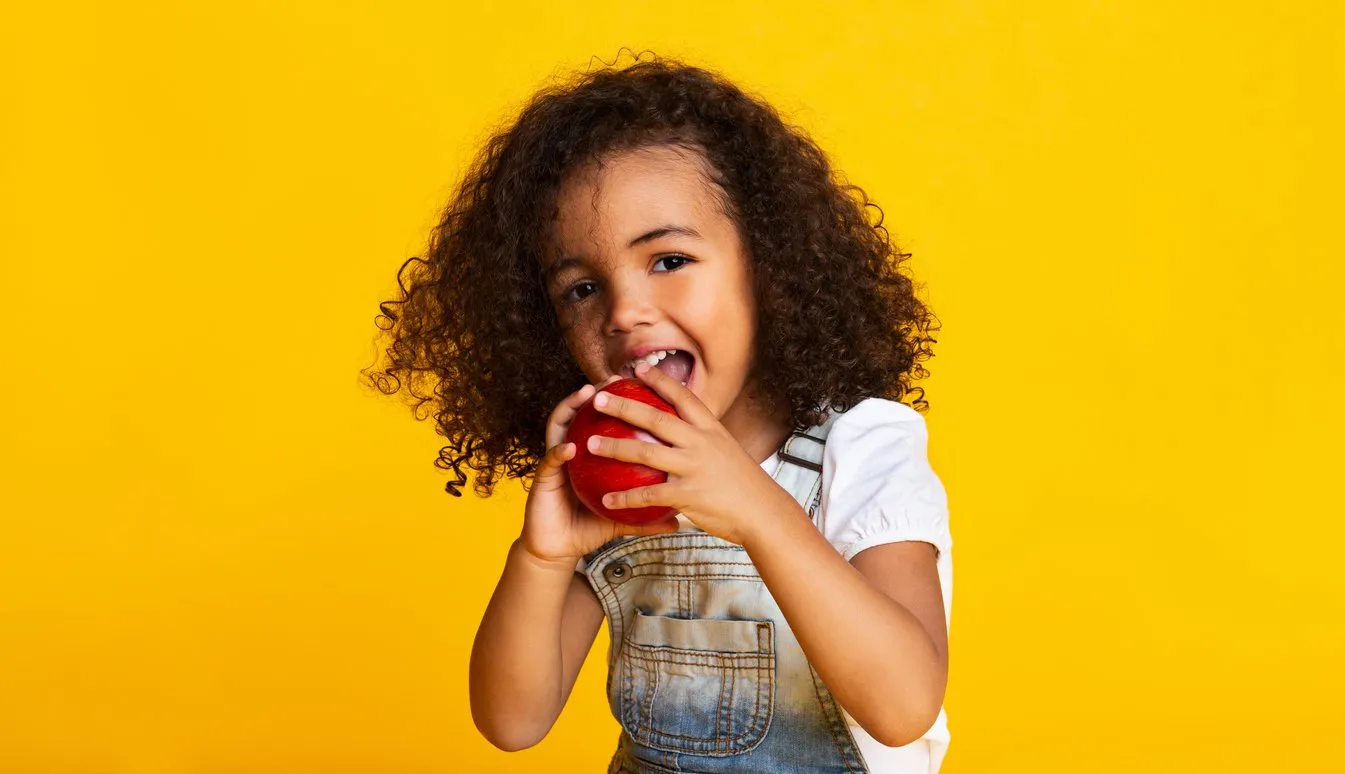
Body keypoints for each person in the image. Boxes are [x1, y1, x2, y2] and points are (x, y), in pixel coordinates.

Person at [365, 52, 952, 773]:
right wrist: (542, 558)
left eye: (668, 260)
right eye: (581, 289)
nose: (625, 312)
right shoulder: (619, 478)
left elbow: (904, 707)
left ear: (767, 265)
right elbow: (512, 721)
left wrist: (756, 509)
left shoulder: (860, 447)